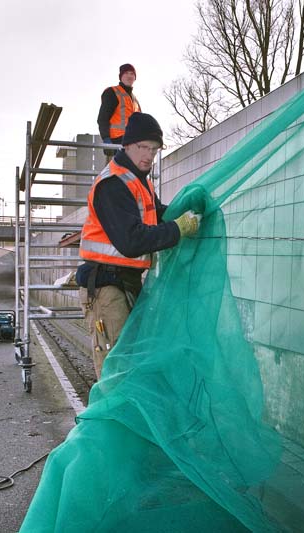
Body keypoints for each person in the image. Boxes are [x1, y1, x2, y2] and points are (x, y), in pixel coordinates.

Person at [76, 112, 201, 379]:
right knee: (115, 367)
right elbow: (131, 241)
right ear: (127, 145)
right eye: (143, 147)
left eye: (154, 150)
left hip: (124, 283)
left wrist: (187, 214)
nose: (149, 155)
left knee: (129, 363)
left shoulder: (139, 181)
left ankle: (123, 419)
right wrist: (179, 228)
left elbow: (158, 216)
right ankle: (111, 419)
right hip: (105, 287)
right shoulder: (113, 183)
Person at [97, 63, 140, 160]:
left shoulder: (135, 101)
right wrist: (106, 139)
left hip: (133, 144)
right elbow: (102, 118)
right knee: (115, 172)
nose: (129, 76)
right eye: (126, 73)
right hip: (116, 142)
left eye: (132, 74)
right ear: (121, 76)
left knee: (131, 174)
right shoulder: (112, 92)